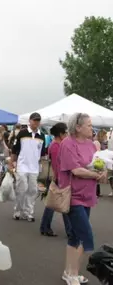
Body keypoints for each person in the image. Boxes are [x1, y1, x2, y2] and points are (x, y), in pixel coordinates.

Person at [59, 113, 106, 285]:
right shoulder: (67, 144)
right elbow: (76, 170)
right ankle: (71, 273)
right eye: (88, 125)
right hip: (73, 196)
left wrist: (103, 171)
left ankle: (70, 272)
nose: (91, 128)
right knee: (86, 236)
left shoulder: (92, 145)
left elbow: (97, 163)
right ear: (78, 127)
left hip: (88, 195)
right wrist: (95, 175)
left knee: (75, 236)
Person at [12, 112, 46, 222]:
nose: (36, 122)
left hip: (34, 167)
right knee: (22, 189)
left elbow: (42, 153)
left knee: (32, 190)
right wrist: (12, 162)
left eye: (38, 120)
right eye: (34, 120)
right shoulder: (22, 133)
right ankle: (17, 211)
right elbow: (14, 149)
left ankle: (28, 212)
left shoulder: (41, 135)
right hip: (22, 165)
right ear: (30, 121)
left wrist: (41, 166)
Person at [39, 123, 71, 237]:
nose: (67, 134)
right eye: (65, 132)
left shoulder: (55, 144)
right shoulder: (56, 146)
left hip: (58, 177)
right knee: (63, 204)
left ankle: (45, 227)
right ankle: (69, 230)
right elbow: (57, 164)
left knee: (53, 203)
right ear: (61, 134)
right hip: (60, 177)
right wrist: (59, 178)